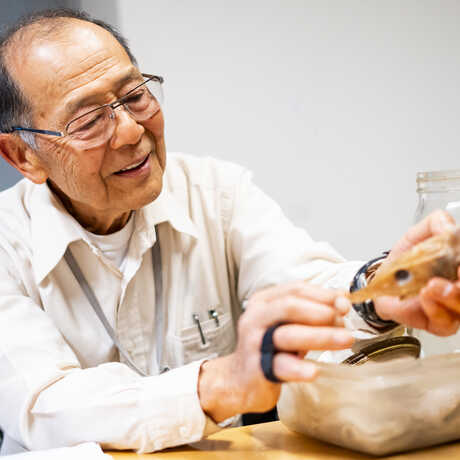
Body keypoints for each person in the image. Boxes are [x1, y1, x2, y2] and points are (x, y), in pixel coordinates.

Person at [0, 8, 459, 455]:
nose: (129, 131)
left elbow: (303, 282)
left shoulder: (216, 191)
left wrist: (382, 288)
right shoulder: (6, 240)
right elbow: (46, 406)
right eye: (88, 121)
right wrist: (223, 382)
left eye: (135, 94)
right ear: (24, 155)